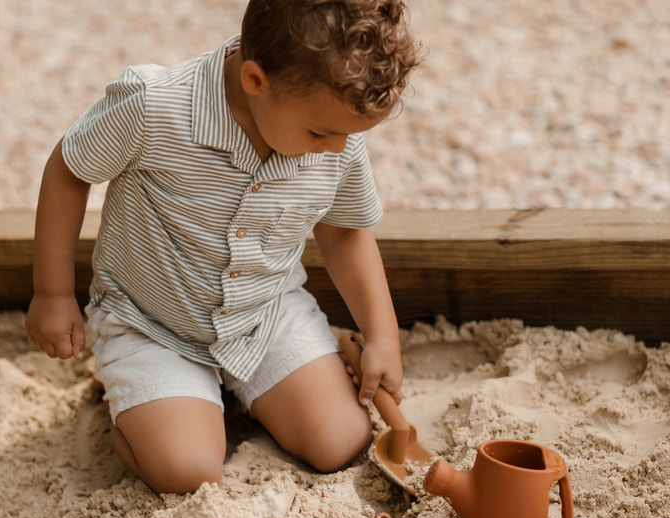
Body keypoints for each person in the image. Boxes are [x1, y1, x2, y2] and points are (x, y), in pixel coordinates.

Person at [25, 0, 422, 493]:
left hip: (264, 312)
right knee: (188, 472)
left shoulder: (332, 131)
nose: (337, 150)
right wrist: (52, 292)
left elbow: (344, 232)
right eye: (321, 133)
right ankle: (136, 410)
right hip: (153, 321)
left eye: (346, 136)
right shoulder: (156, 105)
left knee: (339, 440)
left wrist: (381, 334)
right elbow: (69, 169)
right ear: (256, 81)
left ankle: (265, 378)